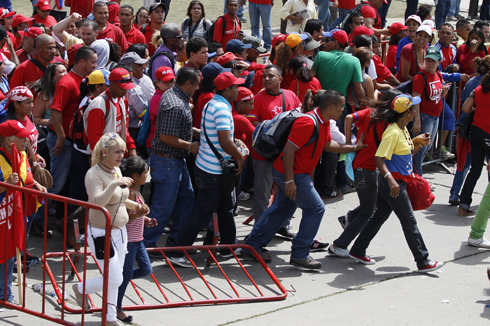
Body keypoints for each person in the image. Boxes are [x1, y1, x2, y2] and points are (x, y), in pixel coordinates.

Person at [243, 90, 363, 269]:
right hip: (292, 174)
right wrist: (290, 181)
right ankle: (300, 254)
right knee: (315, 208)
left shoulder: (323, 122)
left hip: (295, 173)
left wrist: (353, 147)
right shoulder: (308, 122)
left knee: (281, 209)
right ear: (331, 107)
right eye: (341, 106)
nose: (343, 110)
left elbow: (328, 145)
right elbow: (289, 151)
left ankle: (252, 245)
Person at [347, 93, 442, 273]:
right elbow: (378, 158)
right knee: (409, 221)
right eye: (413, 108)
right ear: (407, 112)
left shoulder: (403, 129)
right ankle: (423, 260)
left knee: (379, 217)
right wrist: (391, 180)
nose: (416, 111)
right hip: (393, 184)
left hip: (397, 182)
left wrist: (419, 143)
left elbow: (405, 154)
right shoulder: (392, 132)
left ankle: (358, 250)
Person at [166, 71, 246, 267]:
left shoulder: (213, 103)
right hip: (214, 173)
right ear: (227, 90)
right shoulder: (221, 109)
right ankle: (178, 250)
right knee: (202, 213)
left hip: (210, 167)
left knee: (226, 208)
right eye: (236, 87)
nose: (239, 90)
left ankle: (227, 246)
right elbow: (224, 141)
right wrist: (239, 157)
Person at [72, 133, 146, 326]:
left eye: (123, 151)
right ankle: (81, 289)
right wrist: (115, 183)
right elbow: (97, 202)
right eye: (117, 152)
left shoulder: (115, 170)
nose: (122, 155)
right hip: (100, 233)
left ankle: (110, 318)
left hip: (120, 232)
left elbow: (120, 198)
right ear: (104, 152)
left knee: (115, 278)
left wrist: (136, 206)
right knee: (114, 278)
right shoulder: (93, 174)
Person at [328, 89, 402, 258]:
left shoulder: (371, 112)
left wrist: (349, 142)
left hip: (363, 167)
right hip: (367, 170)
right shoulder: (389, 122)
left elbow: (348, 118)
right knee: (368, 211)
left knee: (373, 202)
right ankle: (339, 245)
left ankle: (349, 219)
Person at [143, 68, 200, 250]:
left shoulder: (175, 96)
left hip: (175, 160)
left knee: (187, 197)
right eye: (196, 84)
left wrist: (195, 131)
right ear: (188, 84)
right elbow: (166, 136)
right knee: (163, 207)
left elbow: (175, 128)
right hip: (167, 162)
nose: (197, 88)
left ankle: (175, 238)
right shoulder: (175, 103)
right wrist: (190, 146)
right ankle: (146, 244)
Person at [247, 65, 301, 237]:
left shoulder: (290, 95)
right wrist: (272, 133)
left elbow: (299, 116)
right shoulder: (257, 99)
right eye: (265, 76)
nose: (267, 79)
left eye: (271, 76)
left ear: (279, 79)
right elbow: (252, 123)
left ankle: (282, 224)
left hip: (286, 153)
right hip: (264, 154)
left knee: (286, 191)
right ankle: (260, 228)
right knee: (262, 192)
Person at [0, 119, 47, 306]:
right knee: (5, 252)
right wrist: (5, 186)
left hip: (20, 210)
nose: (26, 141)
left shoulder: (21, 154)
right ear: (9, 140)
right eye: (22, 138)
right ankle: (4, 293)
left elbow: (24, 175)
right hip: (4, 214)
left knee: (13, 250)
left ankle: (5, 291)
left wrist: (36, 184)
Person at [116, 156, 154, 323]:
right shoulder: (129, 194)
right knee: (126, 273)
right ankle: (117, 307)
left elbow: (136, 217)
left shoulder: (137, 193)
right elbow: (125, 219)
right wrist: (139, 213)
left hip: (138, 240)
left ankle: (116, 282)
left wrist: (145, 219)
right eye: (146, 173)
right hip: (129, 241)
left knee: (146, 270)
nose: (148, 175)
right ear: (135, 176)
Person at [449, 56, 490, 206]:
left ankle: (459, 198)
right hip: (486, 132)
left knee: (469, 166)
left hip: (472, 130)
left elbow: (465, 108)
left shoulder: (474, 85)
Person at [412, 47, 450, 176]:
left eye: (433, 61)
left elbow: (438, 96)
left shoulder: (438, 74)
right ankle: (418, 176)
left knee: (427, 147)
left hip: (435, 116)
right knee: (421, 148)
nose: (430, 63)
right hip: (424, 116)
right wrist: (417, 120)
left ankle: (417, 175)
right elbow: (416, 99)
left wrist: (444, 91)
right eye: (428, 60)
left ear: (439, 62)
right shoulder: (420, 77)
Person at [458, 71, 490, 216]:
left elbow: (465, 108)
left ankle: (463, 204)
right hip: (488, 134)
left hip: (475, 131)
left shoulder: (478, 90)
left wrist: (477, 111)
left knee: (475, 170)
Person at [312, 29, 365, 107]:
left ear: (335, 43)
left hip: (320, 105)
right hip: (339, 107)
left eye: (327, 40)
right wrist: (364, 106)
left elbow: (310, 78)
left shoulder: (320, 55)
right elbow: (359, 91)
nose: (324, 43)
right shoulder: (355, 61)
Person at [29, 62, 66, 170]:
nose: (66, 73)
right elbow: (34, 119)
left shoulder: (67, 91)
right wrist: (48, 121)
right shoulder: (44, 96)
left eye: (66, 70)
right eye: (61, 72)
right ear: (53, 77)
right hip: (51, 138)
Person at [145, 66, 176, 154]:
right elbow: (170, 121)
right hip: (156, 146)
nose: (169, 85)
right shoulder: (158, 99)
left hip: (164, 144)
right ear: (157, 82)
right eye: (166, 82)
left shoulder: (169, 95)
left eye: (171, 81)